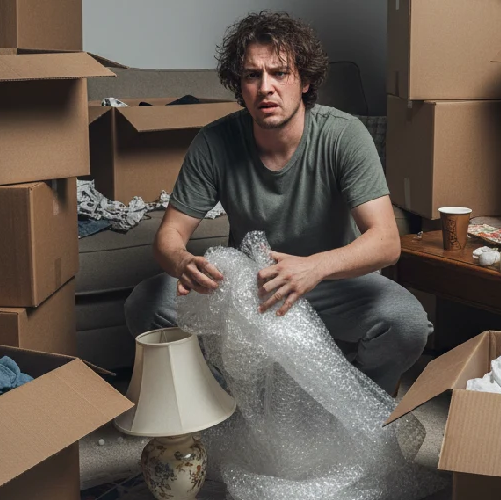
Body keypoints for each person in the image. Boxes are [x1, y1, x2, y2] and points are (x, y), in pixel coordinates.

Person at [125, 11, 432, 395]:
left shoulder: (343, 135)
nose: (265, 87)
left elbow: (387, 242)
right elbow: (169, 234)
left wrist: (314, 268)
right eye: (252, 75)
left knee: (405, 322)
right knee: (147, 304)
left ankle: (355, 409)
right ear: (240, 85)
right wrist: (183, 263)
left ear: (304, 81)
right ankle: (228, 400)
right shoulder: (215, 141)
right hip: (250, 287)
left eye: (279, 73)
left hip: (330, 282)